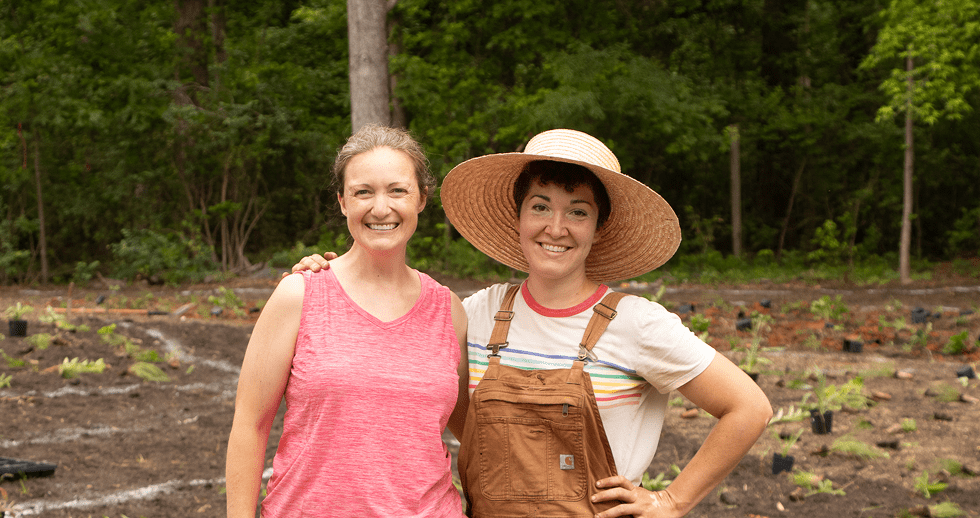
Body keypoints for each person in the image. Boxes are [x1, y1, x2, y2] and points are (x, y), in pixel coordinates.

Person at [293, 128, 773, 518]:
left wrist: (670, 501)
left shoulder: (637, 324)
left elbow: (748, 408)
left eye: (577, 212)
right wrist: (335, 275)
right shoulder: (476, 314)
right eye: (540, 206)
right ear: (518, 215)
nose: (555, 227)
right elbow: (421, 386)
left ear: (599, 227)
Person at [226, 124, 469, 518]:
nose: (380, 207)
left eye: (397, 190)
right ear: (342, 202)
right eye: (363, 192)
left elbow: (475, 434)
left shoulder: (450, 311)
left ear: (422, 199)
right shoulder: (299, 295)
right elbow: (250, 426)